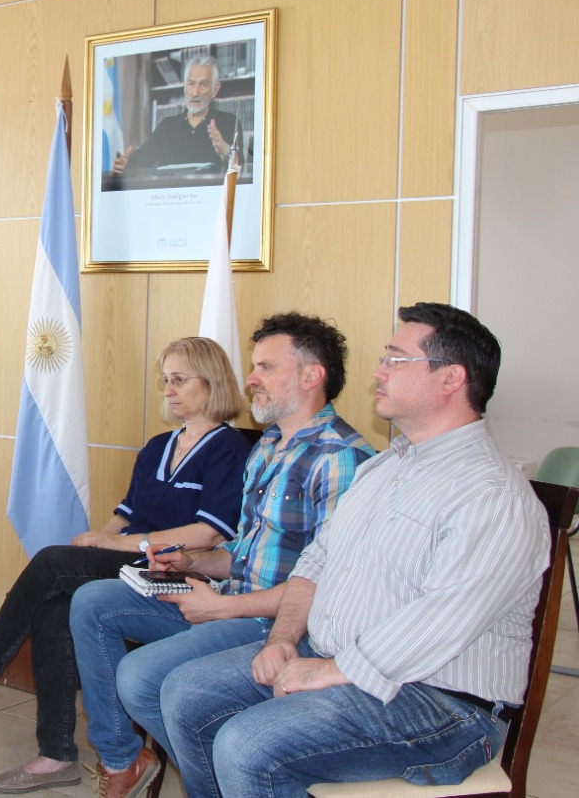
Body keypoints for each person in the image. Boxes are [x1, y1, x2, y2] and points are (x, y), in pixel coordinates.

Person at [157, 303, 550, 798]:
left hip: (441, 702)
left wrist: (330, 671)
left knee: (248, 743)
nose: (377, 372)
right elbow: (316, 561)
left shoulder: (491, 494)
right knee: (186, 694)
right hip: (342, 657)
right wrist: (282, 638)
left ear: (451, 378)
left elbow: (442, 618)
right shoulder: (383, 468)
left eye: (395, 360)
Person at [68, 312, 375, 798]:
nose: (250, 378)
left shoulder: (340, 458)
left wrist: (223, 607)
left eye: (266, 367)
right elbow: (243, 552)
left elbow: (329, 585)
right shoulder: (268, 445)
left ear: (311, 376)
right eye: (254, 366)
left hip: (277, 623)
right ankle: (128, 760)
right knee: (92, 601)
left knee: (143, 679)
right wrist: (192, 562)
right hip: (230, 599)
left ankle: (227, 777)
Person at [0, 337, 253, 794]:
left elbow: (208, 533)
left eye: (180, 380)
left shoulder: (230, 449)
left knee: (52, 562)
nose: (168, 390)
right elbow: (125, 515)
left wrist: (117, 543)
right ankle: (55, 754)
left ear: (212, 381)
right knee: (55, 606)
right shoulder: (158, 446)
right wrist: (98, 540)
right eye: (165, 380)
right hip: (130, 563)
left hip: (179, 573)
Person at [112, 55, 239, 177]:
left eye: (203, 85)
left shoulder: (229, 122)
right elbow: (142, 159)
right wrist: (125, 164)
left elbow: (241, 167)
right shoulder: (167, 126)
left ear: (215, 90)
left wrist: (226, 151)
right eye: (191, 83)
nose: (195, 92)